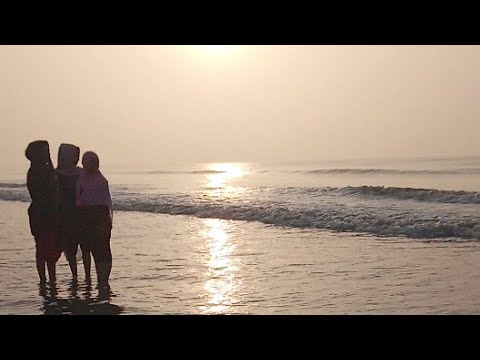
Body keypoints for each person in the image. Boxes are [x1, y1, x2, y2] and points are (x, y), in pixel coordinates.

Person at [25, 140, 62, 284]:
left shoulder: (38, 170)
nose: (48, 154)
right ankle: (48, 279)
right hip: (44, 214)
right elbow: (47, 193)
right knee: (46, 248)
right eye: (45, 152)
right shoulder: (39, 172)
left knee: (44, 248)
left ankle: (46, 279)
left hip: (40, 213)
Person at [76, 151, 113, 289]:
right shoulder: (81, 178)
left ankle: (103, 279)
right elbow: (78, 199)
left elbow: (106, 201)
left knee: (103, 249)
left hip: (100, 216)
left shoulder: (101, 180)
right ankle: (100, 280)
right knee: (94, 249)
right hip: (87, 216)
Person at [56, 143, 91, 280]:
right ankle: (78, 275)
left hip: (74, 213)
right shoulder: (79, 173)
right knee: (73, 246)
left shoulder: (58, 174)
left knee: (82, 246)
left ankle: (83, 275)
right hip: (71, 213)